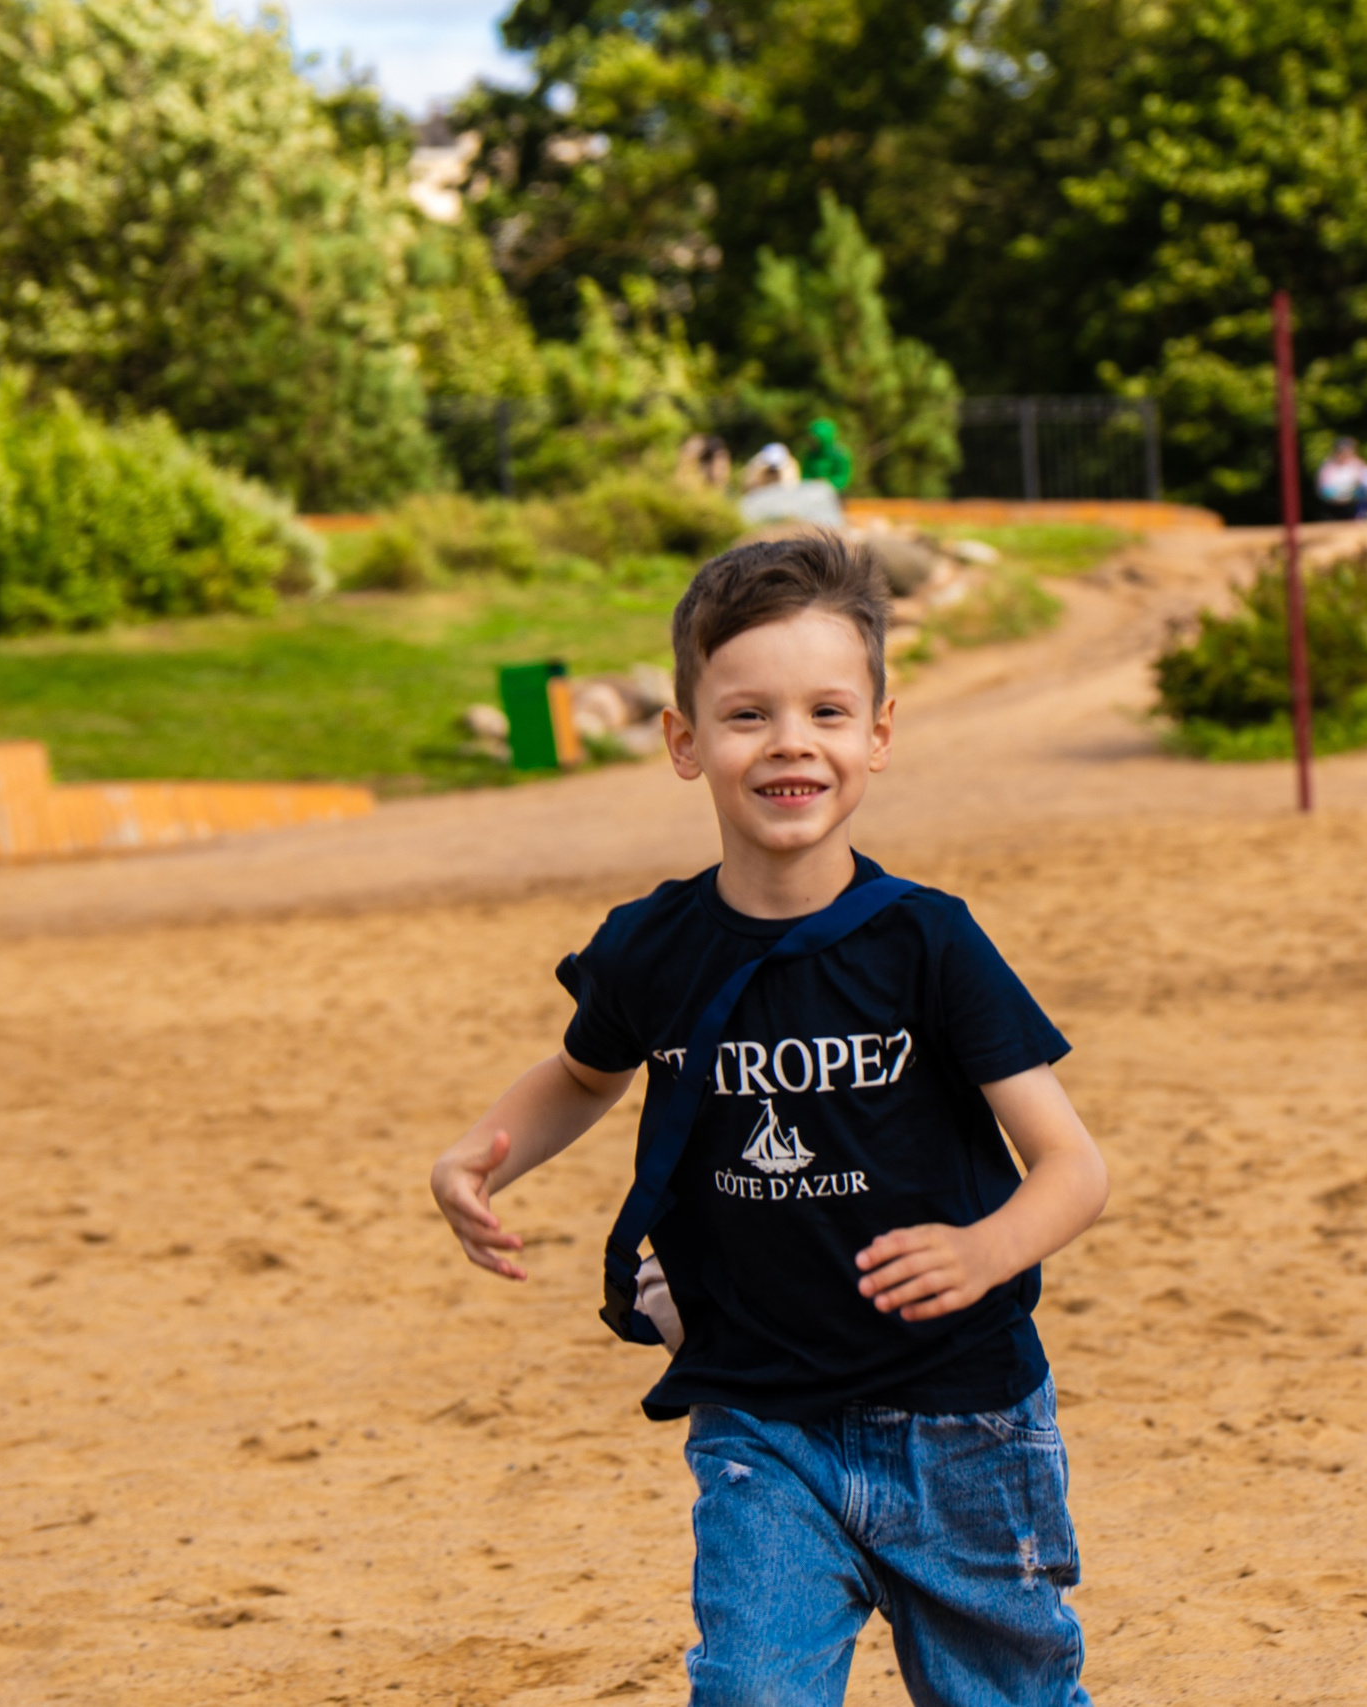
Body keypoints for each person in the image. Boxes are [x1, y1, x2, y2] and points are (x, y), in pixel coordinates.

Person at [430, 531, 1109, 1707]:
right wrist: (477, 1154)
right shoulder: (651, 945)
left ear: (877, 736)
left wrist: (985, 1248)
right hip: (760, 1419)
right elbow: (584, 1075)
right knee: (750, 1694)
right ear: (685, 742)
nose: (791, 741)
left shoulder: (928, 944)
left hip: (961, 1421)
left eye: (828, 712)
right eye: (747, 715)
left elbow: (1070, 1165)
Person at [1314, 436, 1367, 519]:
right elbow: (1324, 491)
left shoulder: (1357, 465)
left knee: (1363, 492)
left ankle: (1366, 515)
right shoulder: (1328, 467)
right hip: (1332, 509)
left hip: (1353, 508)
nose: (1346, 454)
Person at [800, 416, 854, 495]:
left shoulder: (840, 454)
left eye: (814, 439)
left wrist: (826, 484)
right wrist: (810, 484)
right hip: (812, 493)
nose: (811, 442)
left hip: (835, 494)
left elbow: (843, 478)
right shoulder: (810, 455)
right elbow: (805, 474)